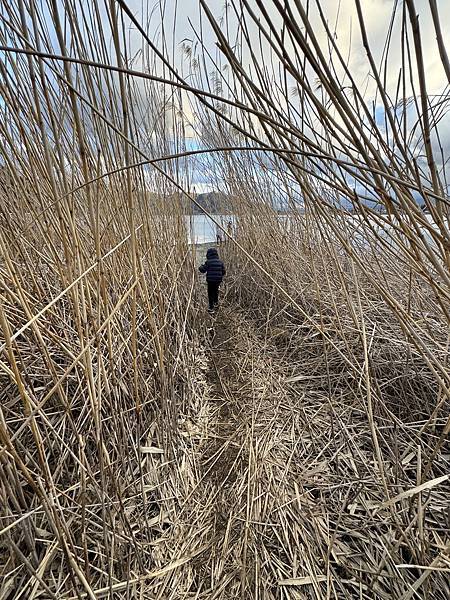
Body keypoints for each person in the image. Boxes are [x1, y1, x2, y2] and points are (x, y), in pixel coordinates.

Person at [199, 247, 226, 312]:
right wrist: (219, 276)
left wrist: (200, 267)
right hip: (218, 281)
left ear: (208, 255)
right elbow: (224, 272)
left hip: (210, 281)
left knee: (210, 293)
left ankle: (211, 307)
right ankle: (216, 304)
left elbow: (203, 270)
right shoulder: (220, 262)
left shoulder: (208, 262)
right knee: (216, 291)